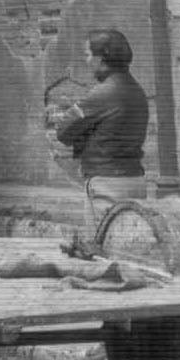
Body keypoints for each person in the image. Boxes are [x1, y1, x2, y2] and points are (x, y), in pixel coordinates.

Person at [45, 27, 150, 230]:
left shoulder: (101, 94)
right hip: (135, 181)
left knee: (101, 249)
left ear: (102, 59)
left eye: (88, 54)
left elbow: (64, 132)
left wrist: (80, 130)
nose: (86, 61)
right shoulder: (137, 91)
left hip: (106, 184)